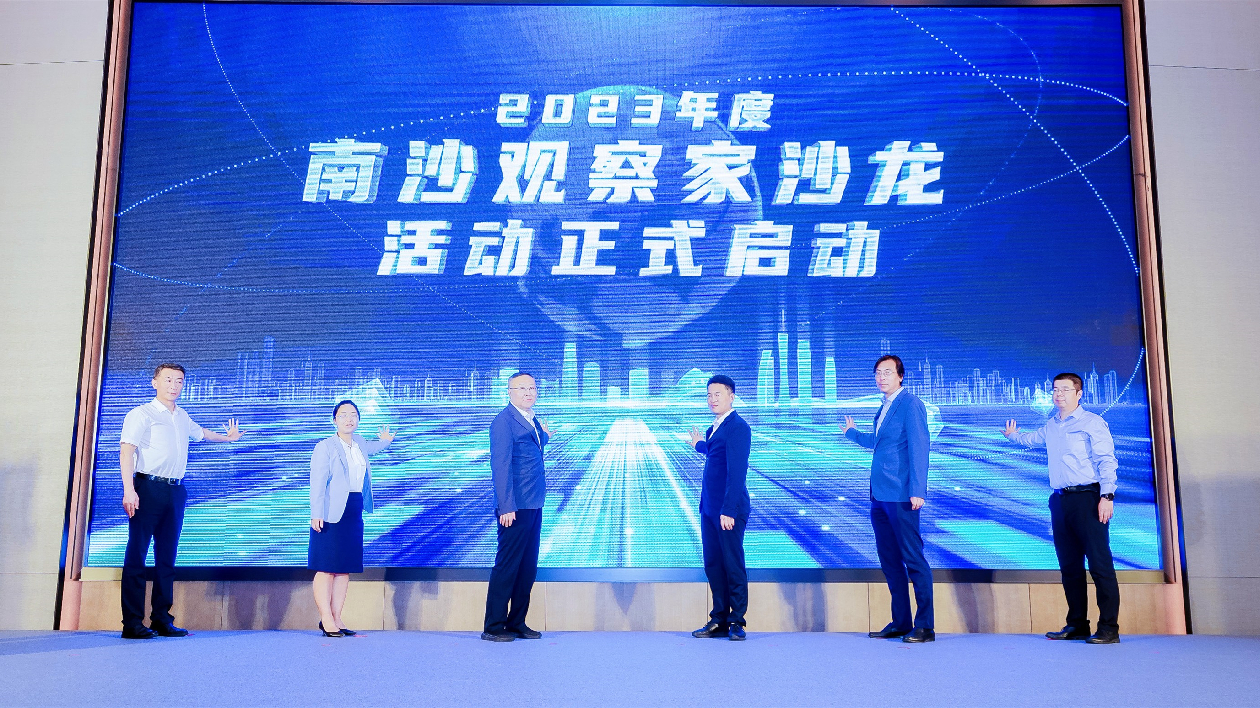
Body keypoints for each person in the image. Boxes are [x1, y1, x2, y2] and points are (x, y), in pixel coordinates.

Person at [119, 363, 244, 639]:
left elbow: (202, 433)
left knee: (167, 558)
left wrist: (228, 439)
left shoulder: (182, 415)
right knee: (137, 555)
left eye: (179, 381)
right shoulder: (141, 414)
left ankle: (161, 619)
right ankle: (132, 623)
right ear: (155, 382)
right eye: (168, 380)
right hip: (146, 487)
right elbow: (126, 452)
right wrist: (129, 490)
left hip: (175, 491)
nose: (174, 385)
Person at [1003, 372, 1121, 644]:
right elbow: (1031, 439)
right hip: (1060, 501)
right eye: (1055, 389)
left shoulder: (1092, 422)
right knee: (1069, 567)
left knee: (1100, 565)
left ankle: (1109, 628)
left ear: (1079, 394)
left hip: (1088, 498)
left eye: (1065, 390)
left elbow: (1106, 460)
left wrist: (1107, 495)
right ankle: (1077, 624)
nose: (1058, 394)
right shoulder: (1052, 424)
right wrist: (1013, 436)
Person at [842, 354, 935, 643]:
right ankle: (901, 622)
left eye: (887, 372)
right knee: (890, 562)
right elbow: (878, 442)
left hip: (902, 494)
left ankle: (925, 626)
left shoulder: (911, 404)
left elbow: (920, 447)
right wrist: (852, 434)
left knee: (913, 559)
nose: (881, 377)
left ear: (900, 376)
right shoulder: (884, 406)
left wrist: (918, 490)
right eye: (878, 373)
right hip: (879, 495)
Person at [309, 399, 395, 637]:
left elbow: (374, 449)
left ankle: (337, 617)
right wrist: (316, 513)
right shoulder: (325, 446)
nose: (349, 419)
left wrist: (386, 441)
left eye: (353, 415)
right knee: (326, 567)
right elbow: (317, 482)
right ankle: (326, 618)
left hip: (354, 508)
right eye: (343, 415)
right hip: (330, 512)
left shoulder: (360, 442)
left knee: (344, 568)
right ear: (334, 420)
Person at [482, 372, 550, 642]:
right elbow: (501, 467)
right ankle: (493, 626)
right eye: (522, 388)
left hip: (534, 503)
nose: (528, 392)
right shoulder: (503, 421)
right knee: (508, 566)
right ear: (509, 392)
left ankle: (517, 622)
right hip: (515, 506)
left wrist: (543, 437)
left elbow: (528, 450)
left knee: (527, 567)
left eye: (532, 387)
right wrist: (506, 505)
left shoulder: (531, 419)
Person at [688, 374, 752, 641]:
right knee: (713, 564)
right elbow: (717, 453)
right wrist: (699, 445)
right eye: (709, 395)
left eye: (718, 394)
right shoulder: (714, 428)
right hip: (710, 508)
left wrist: (729, 509)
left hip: (728, 510)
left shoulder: (738, 427)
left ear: (731, 396)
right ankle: (719, 619)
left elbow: (737, 471)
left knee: (732, 564)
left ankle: (737, 621)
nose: (712, 399)